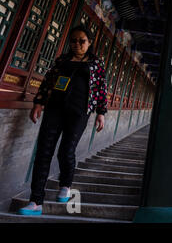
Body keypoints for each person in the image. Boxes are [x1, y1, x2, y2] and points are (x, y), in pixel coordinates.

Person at [18, 26, 108, 215]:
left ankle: (65, 184)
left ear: (89, 42)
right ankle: (35, 201)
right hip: (54, 109)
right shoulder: (62, 60)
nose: (77, 44)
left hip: (79, 112)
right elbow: (48, 81)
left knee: (66, 150)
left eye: (81, 41)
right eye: (73, 41)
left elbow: (101, 89)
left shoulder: (96, 63)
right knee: (43, 152)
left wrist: (101, 112)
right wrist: (39, 103)